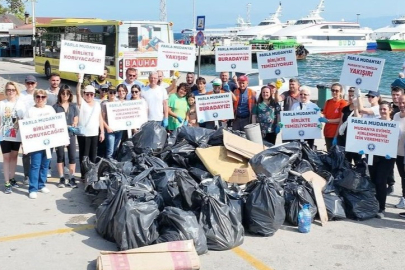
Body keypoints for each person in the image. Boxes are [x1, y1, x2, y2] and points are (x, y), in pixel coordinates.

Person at [25, 89, 56, 199]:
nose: (40, 99)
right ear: (34, 98)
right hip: (35, 143)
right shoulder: (30, 111)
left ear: (46, 98)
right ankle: (33, 188)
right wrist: (26, 144)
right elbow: (26, 129)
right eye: (38, 97)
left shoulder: (50, 109)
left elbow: (55, 124)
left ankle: (41, 184)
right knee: (35, 165)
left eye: (43, 97)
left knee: (45, 164)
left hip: (48, 142)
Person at [368, 101, 396, 219]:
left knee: (381, 181)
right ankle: (373, 205)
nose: (382, 111)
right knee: (373, 180)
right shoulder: (375, 122)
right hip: (373, 155)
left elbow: (397, 140)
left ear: (390, 110)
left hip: (387, 157)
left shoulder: (394, 124)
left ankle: (381, 208)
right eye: (381, 109)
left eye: (385, 109)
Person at [76, 80, 105, 180]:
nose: (89, 96)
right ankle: (84, 175)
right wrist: (79, 82)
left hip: (94, 133)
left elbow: (100, 118)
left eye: (91, 94)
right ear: (84, 94)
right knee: (84, 155)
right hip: (83, 134)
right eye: (87, 94)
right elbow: (77, 93)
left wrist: (102, 131)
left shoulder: (97, 104)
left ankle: (92, 173)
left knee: (93, 154)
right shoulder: (81, 103)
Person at [0, 82, 25, 194]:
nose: (10, 92)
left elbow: (24, 120)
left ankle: (12, 177)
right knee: (6, 158)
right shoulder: (1, 104)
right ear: (6, 91)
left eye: (13, 90)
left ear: (16, 91)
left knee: (14, 157)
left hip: (17, 135)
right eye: (9, 89)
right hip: (4, 135)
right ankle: (7, 183)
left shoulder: (21, 104)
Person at [52, 85, 79, 188]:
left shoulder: (73, 106)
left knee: (72, 156)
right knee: (60, 156)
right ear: (60, 94)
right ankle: (62, 177)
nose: (65, 96)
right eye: (63, 93)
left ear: (70, 95)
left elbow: (76, 119)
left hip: (71, 134)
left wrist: (74, 124)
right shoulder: (55, 107)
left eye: (67, 94)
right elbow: (53, 121)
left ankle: (72, 177)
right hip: (59, 135)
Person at [334, 87, 361, 164]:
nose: (351, 97)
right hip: (343, 139)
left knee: (357, 162)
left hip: (355, 140)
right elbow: (341, 123)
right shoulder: (345, 109)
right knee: (345, 162)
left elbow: (358, 120)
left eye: (353, 95)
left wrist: (356, 106)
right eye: (349, 95)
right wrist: (336, 137)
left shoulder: (360, 109)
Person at [319, 83, 348, 151]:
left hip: (337, 133)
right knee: (329, 154)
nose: (334, 92)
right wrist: (318, 115)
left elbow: (341, 119)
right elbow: (324, 114)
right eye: (333, 90)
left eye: (336, 91)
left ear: (340, 92)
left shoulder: (343, 103)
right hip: (327, 132)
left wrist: (328, 121)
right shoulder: (328, 102)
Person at [101, 84, 127, 159]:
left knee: (115, 150)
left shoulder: (119, 102)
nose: (112, 94)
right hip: (110, 130)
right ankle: (108, 167)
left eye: (114, 92)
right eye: (110, 92)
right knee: (110, 151)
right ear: (107, 93)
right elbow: (102, 119)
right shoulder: (104, 104)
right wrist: (107, 128)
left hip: (119, 130)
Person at [20, 75, 38, 184]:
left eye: (32, 83)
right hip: (25, 126)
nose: (30, 85)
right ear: (25, 84)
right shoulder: (21, 95)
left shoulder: (39, 93)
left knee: (38, 152)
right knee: (26, 152)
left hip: (38, 127)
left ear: (36, 84)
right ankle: (27, 175)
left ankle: (37, 175)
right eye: (28, 83)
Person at [394, 95, 405, 211]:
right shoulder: (396, 116)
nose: (402, 105)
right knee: (403, 177)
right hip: (398, 152)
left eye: (404, 103)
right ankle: (404, 198)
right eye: (400, 103)